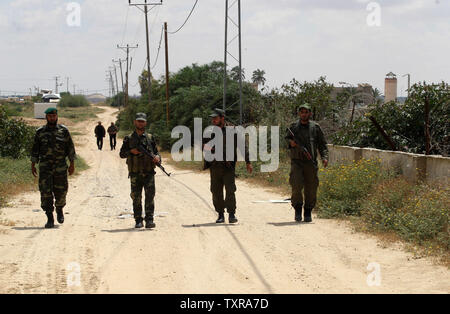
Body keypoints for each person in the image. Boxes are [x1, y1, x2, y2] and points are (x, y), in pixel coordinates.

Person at [204, 108, 253, 224]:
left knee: (230, 190)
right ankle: (220, 214)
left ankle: (231, 214)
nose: (213, 120)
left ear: (222, 118)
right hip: (215, 166)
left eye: (216, 118)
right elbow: (204, 146)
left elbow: (242, 146)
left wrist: (248, 162)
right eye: (212, 118)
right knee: (216, 191)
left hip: (228, 166)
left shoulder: (233, 131)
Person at [31, 107, 76, 228]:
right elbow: (35, 149)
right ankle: (49, 217)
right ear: (46, 117)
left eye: (54, 116)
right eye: (50, 116)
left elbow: (70, 148)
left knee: (61, 191)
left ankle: (59, 209)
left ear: (57, 116)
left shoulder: (63, 131)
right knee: (45, 192)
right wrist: (33, 165)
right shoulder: (40, 132)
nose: (52, 118)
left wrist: (72, 164)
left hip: (60, 167)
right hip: (45, 167)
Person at [285, 103, 328, 223]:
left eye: (306, 112)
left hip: (310, 162)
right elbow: (287, 139)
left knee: (311, 187)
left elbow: (322, 144)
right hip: (297, 162)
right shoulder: (293, 127)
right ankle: (298, 209)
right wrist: (291, 143)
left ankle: (308, 210)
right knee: (296, 185)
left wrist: (324, 157)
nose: (304, 114)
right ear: (299, 113)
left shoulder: (315, 127)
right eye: (302, 112)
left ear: (310, 113)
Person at [120, 113, 161, 229]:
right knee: (136, 197)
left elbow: (157, 152)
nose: (140, 123)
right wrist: (131, 152)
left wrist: (157, 158)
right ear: (135, 122)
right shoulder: (129, 138)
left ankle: (149, 220)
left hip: (148, 172)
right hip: (135, 173)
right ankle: (138, 220)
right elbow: (122, 154)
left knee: (150, 196)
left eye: (142, 121)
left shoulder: (150, 137)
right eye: (138, 121)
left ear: (145, 123)